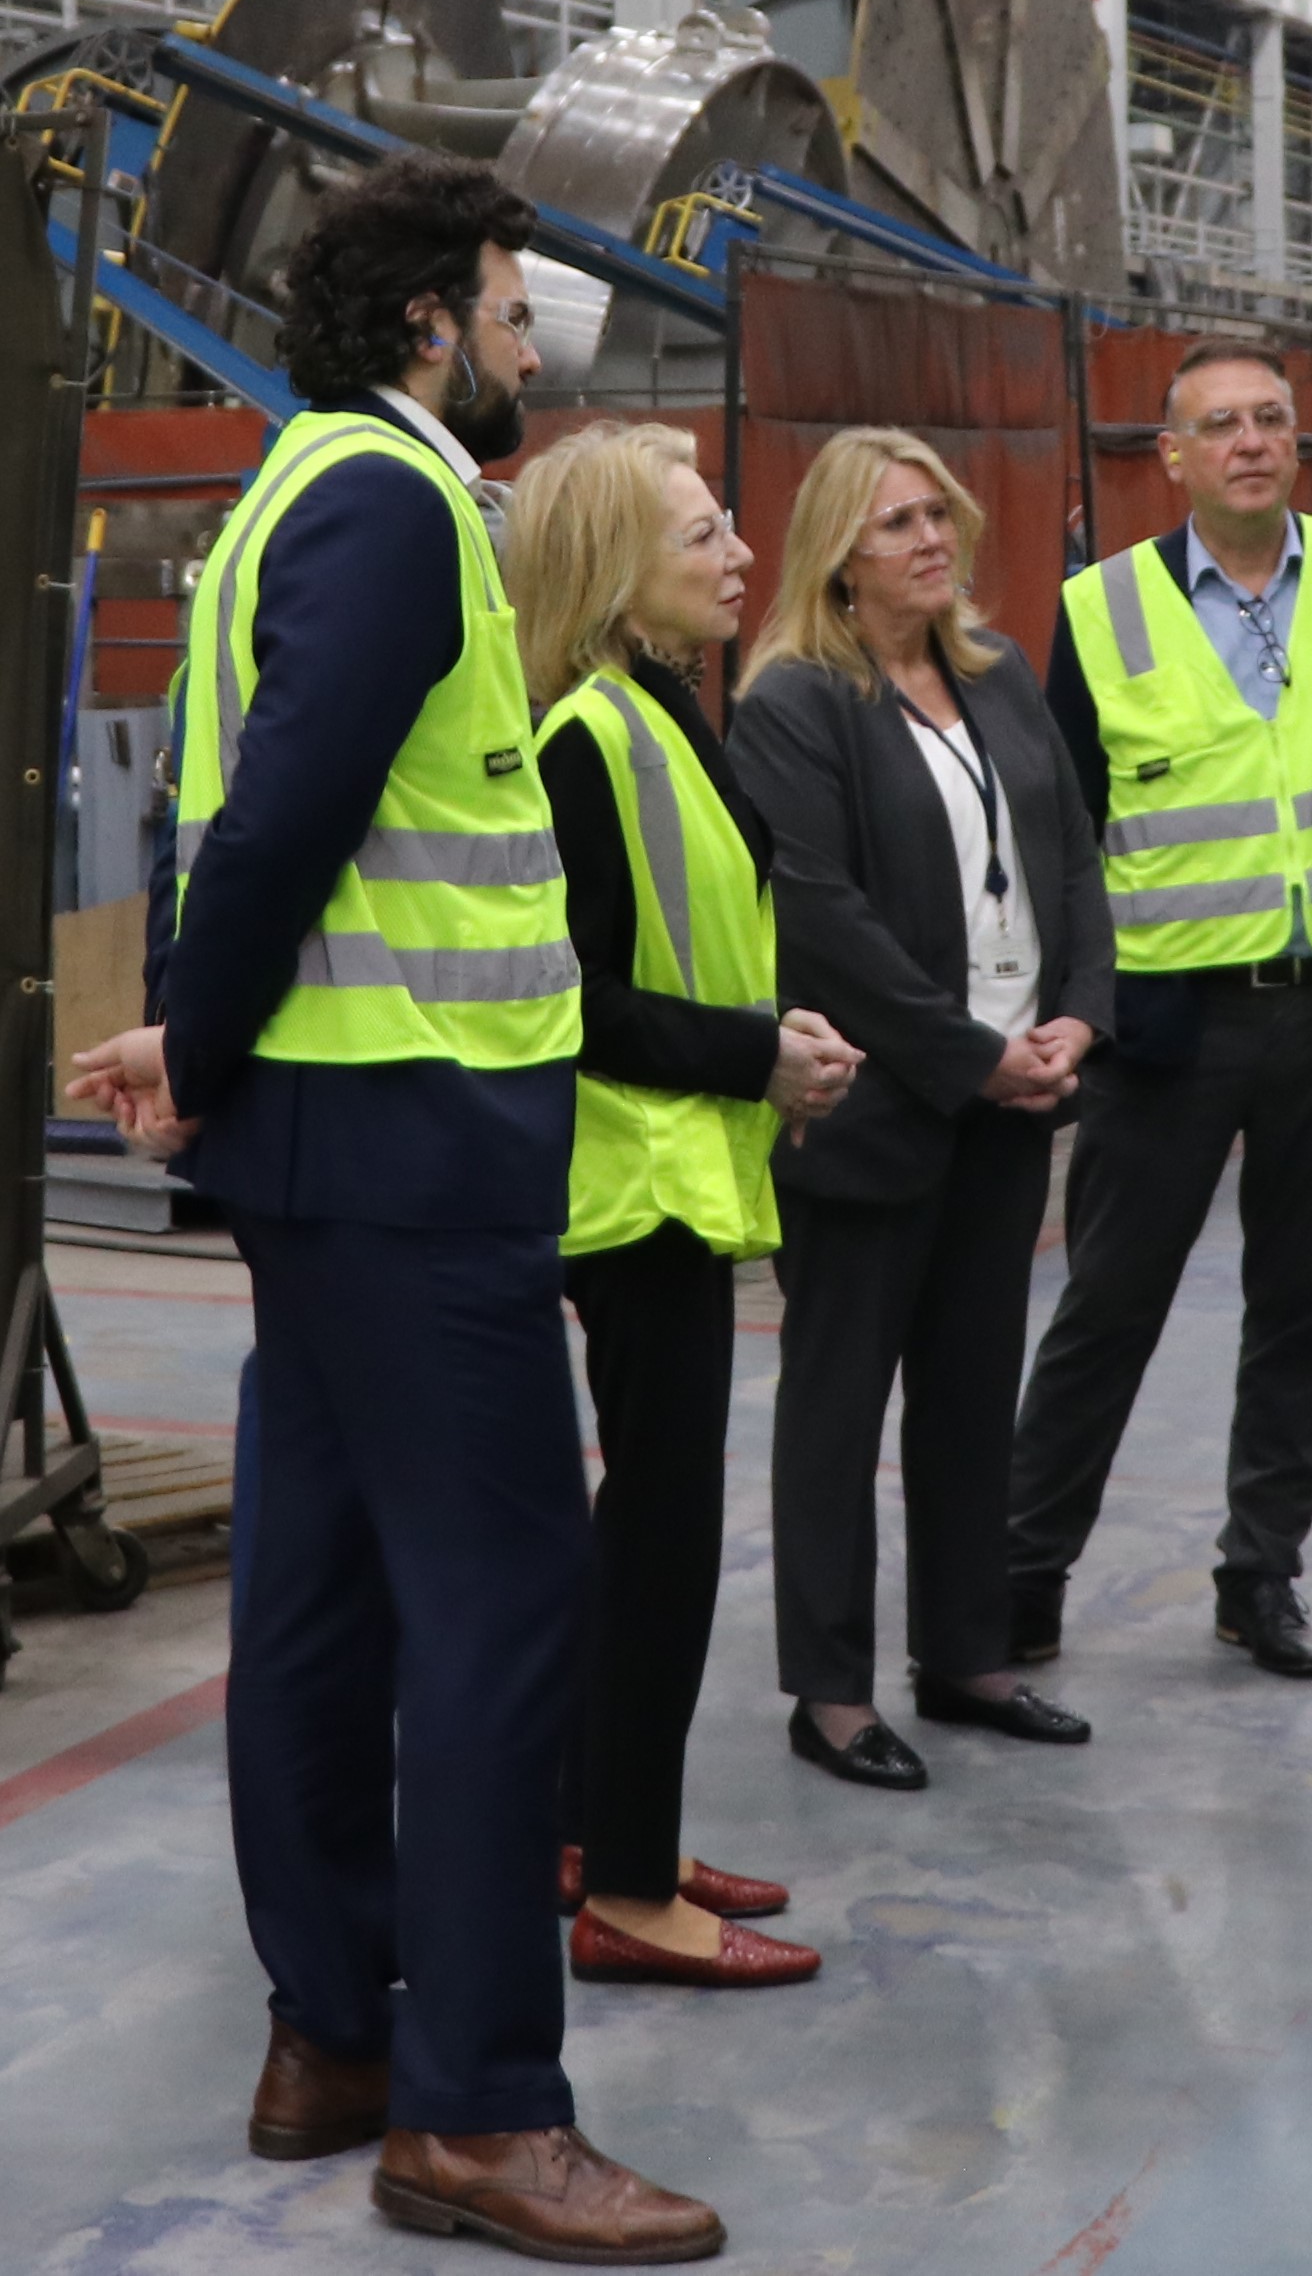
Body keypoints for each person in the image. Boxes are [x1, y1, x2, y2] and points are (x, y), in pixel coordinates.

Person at [71, 153, 722, 2259]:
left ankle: (334, 2031)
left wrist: (198, 1045)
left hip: (347, 1149)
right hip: (408, 1153)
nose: (535, 347)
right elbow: (276, 823)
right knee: (503, 1609)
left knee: (330, 1601)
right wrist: (207, 1044)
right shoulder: (393, 502)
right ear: (438, 321)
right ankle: (478, 2108)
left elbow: (238, 822)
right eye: (518, 309)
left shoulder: (305, 490)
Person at [1006, 337, 1312, 1679]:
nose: (1254, 441)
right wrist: (1085, 1011)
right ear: (1175, 457)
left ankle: (1261, 1576)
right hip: (1166, 1025)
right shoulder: (1104, 610)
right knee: (1109, 1305)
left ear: (1295, 442)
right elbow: (1063, 834)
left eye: (1273, 419)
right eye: (1223, 425)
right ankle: (1023, 1575)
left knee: (1300, 1307)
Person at [504, 421, 857, 1989]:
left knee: (645, 1530)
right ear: (615, 575)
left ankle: (598, 1829)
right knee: (660, 1543)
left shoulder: (659, 714)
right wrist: (755, 1055)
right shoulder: (589, 738)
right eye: (702, 535)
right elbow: (571, 1003)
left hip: (681, 1165)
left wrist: (768, 1046)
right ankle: (630, 1895)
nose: (737, 556)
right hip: (630, 1181)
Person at [727, 427, 1112, 1790]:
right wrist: (968, 1052)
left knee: (969, 1394)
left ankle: (966, 1656)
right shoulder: (794, 703)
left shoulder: (998, 679)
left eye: (937, 515)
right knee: (837, 1404)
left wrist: (1078, 1012)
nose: (931, 540)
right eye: (896, 524)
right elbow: (820, 922)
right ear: (839, 557)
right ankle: (828, 1690)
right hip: (875, 1109)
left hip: (1007, 1101)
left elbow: (1071, 855)